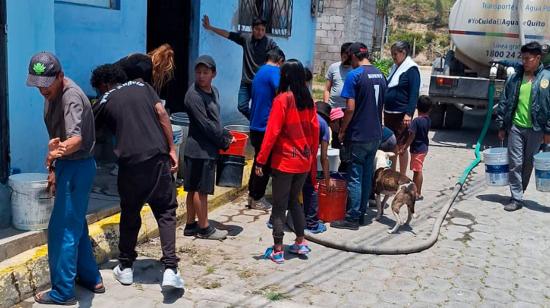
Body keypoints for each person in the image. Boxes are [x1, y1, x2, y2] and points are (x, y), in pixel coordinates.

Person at [91, 64, 184, 289]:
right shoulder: (143, 85)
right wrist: (172, 148)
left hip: (130, 164)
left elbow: (88, 133)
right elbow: (162, 113)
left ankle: (126, 268)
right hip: (158, 157)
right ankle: (170, 269)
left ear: (104, 84)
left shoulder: (103, 101)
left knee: (130, 213)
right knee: (165, 212)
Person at [27, 52, 103, 305]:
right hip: (69, 166)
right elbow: (59, 139)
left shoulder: (70, 97)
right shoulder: (53, 92)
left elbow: (76, 138)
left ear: (59, 76)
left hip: (76, 166)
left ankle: (62, 292)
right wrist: (53, 168)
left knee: (61, 231)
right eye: (38, 85)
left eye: (46, 85)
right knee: (76, 224)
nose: (42, 91)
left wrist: (56, 154)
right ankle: (92, 278)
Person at [255, 59, 319, 264]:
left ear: (285, 77)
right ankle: (300, 242)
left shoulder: (283, 100)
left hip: (285, 162)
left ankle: (278, 249)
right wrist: (311, 159)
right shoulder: (308, 100)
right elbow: (315, 131)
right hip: (303, 161)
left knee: (279, 206)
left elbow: (272, 132)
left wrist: (260, 160)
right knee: (295, 202)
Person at [331, 42, 388, 230]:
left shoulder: (354, 76)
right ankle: (362, 212)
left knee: (355, 176)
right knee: (366, 175)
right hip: (375, 134)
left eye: (350, 57)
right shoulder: (380, 74)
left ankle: (352, 217)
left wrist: (342, 130)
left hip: (359, 134)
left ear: (354, 56)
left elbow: (350, 108)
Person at [182, 55, 233, 239]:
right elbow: (205, 125)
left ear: (214, 74)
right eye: (198, 72)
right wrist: (223, 141)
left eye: (205, 72)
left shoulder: (214, 92)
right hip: (199, 150)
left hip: (206, 149)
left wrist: (225, 133)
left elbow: (215, 121)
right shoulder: (193, 96)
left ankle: (190, 225)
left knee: (193, 189)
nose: (201, 76)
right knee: (199, 190)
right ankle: (204, 228)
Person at [495, 41, 550, 212]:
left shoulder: (547, 78)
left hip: (536, 128)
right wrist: (502, 126)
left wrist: (548, 130)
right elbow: (504, 102)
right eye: (523, 58)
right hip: (516, 127)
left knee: (528, 163)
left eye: (528, 58)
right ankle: (516, 197)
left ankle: (520, 190)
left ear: (538, 58)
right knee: (515, 162)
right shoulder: (515, 78)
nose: (524, 62)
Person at [202, 15, 278, 120]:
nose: (260, 32)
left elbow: (279, 55)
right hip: (246, 82)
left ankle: (257, 127)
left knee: (258, 108)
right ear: (252, 29)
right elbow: (228, 34)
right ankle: (255, 121)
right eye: (257, 29)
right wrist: (211, 27)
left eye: (262, 30)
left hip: (259, 83)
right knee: (241, 106)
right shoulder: (246, 39)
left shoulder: (269, 43)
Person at [248, 47, 286, 210]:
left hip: (255, 124)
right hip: (265, 126)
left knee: (258, 160)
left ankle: (252, 195)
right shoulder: (273, 72)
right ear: (280, 61)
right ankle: (257, 197)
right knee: (264, 163)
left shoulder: (260, 71)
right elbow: (281, 93)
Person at [384, 41, 421, 176]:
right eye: (392, 54)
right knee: (391, 145)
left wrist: (409, 113)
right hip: (389, 113)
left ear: (403, 53)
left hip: (401, 115)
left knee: (401, 147)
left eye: (395, 54)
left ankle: (402, 176)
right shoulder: (395, 67)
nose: (393, 57)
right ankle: (392, 175)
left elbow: (414, 93)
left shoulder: (411, 69)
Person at [302, 101, 333, 234]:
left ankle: (274, 220)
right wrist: (327, 179)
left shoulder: (303, 115)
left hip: (291, 155)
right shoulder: (324, 125)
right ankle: (312, 224)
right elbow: (324, 157)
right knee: (312, 188)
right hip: (307, 159)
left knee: (290, 186)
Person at [398, 96, 432, 200]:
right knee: (417, 170)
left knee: (417, 171)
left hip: (417, 150)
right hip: (424, 148)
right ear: (429, 109)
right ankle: (415, 191)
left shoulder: (416, 121)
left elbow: (412, 136)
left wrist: (404, 147)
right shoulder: (428, 120)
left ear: (417, 107)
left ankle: (417, 193)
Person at [324, 42, 353, 108]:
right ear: (341, 55)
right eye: (344, 57)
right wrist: (326, 106)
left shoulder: (355, 70)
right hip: (333, 107)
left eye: (349, 58)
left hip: (348, 109)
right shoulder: (333, 67)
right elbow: (327, 89)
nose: (346, 60)